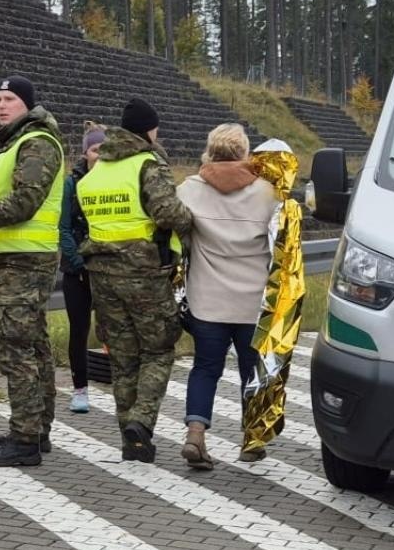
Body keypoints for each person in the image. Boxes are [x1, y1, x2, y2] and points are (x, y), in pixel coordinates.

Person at [73, 98, 192, 462]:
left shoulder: (96, 172)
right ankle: (141, 421)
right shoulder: (147, 164)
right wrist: (192, 220)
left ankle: (132, 442)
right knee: (158, 349)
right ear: (149, 130)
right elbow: (167, 212)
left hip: (101, 275)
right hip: (143, 274)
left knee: (123, 358)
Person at [174, 124, 278, 469]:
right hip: (252, 303)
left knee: (205, 368)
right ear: (244, 153)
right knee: (252, 371)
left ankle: (195, 433)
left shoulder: (189, 189)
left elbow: (175, 230)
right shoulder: (267, 192)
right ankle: (252, 439)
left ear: (210, 151)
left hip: (207, 300)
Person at [0, 75, 65, 468]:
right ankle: (37, 427)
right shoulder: (14, 144)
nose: (1, 105)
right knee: (33, 345)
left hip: (25, 259)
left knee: (14, 346)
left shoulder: (37, 143)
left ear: (27, 104)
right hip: (13, 257)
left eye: (10, 98)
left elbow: (26, 200)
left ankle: (25, 438)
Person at [59, 125, 106, 414]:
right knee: (79, 330)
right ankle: (80, 390)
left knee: (113, 330)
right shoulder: (70, 183)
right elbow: (62, 227)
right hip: (76, 269)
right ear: (85, 152)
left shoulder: (117, 182)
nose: (100, 155)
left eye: (104, 149)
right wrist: (77, 262)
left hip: (107, 269)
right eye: (94, 149)